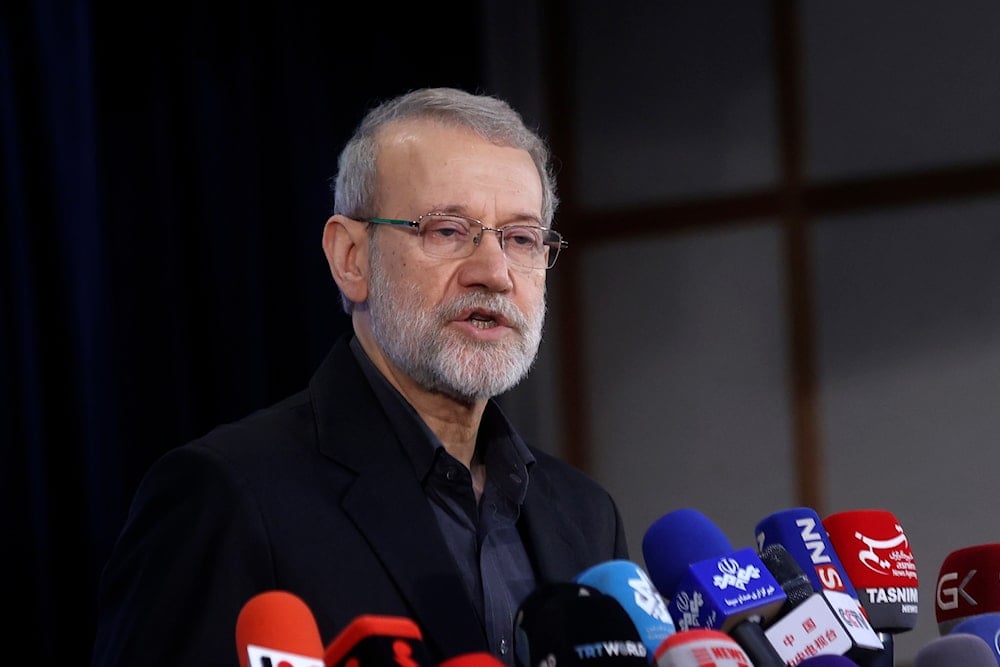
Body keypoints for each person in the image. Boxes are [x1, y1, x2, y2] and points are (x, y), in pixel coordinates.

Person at [91, 86, 629, 667]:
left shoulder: (584, 516)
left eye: (521, 238)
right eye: (447, 230)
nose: (495, 273)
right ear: (350, 257)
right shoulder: (229, 497)